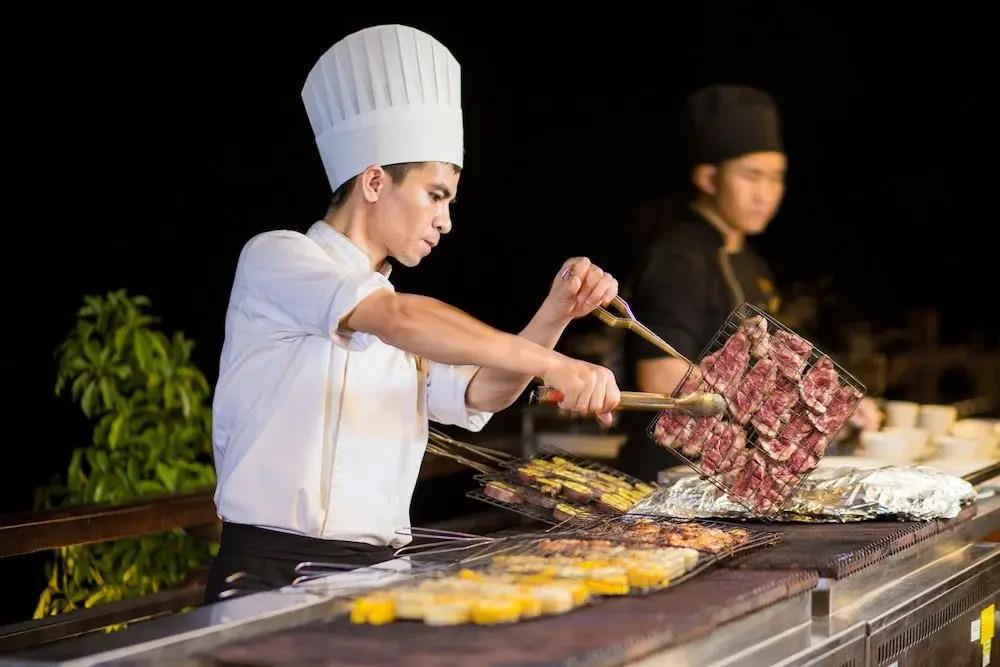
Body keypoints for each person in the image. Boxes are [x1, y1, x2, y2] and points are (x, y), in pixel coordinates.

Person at [204, 25, 621, 602]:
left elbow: (484, 391)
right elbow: (393, 318)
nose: (446, 221)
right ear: (375, 181)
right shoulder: (279, 258)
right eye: (435, 195)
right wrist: (554, 366)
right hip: (270, 572)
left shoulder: (407, 315)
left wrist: (557, 314)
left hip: (377, 576)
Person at [616, 84, 878, 480]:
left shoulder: (750, 261)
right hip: (671, 474)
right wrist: (790, 408)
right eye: (751, 177)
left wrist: (835, 400)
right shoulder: (679, 257)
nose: (766, 194)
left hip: (728, 476)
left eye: (776, 178)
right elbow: (663, 377)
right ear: (708, 178)